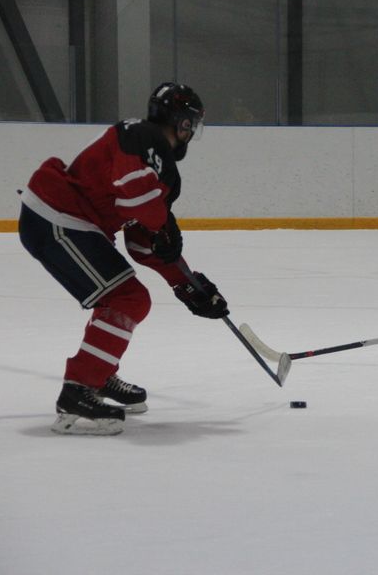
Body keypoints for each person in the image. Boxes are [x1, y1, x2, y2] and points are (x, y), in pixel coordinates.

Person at [19, 82, 229, 435]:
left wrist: (188, 284)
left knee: (123, 297)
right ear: (184, 124)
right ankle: (78, 391)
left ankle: (97, 376)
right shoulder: (140, 134)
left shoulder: (156, 159)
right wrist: (163, 223)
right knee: (127, 298)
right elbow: (135, 196)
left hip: (72, 222)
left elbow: (142, 242)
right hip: (58, 217)